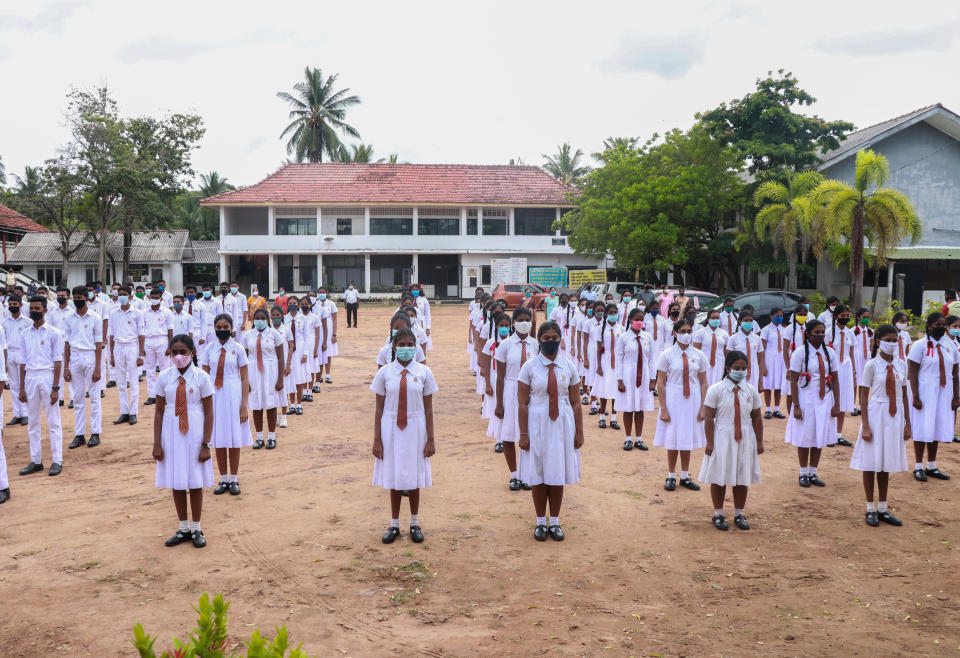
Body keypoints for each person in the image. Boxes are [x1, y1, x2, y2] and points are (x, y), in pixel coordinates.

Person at [517, 321, 584, 541]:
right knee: (538, 474)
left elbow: (575, 402)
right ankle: (539, 522)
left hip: (562, 425)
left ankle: (554, 522)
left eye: (555, 338)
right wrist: (523, 433)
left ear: (560, 340)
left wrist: (579, 431)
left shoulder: (569, 366)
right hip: (537, 424)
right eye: (546, 338)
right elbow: (523, 403)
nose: (551, 342)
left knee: (556, 473)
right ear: (539, 340)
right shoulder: (529, 367)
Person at [371, 328, 437, 544]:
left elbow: (428, 409)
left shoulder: (424, 373)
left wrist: (431, 438)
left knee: (414, 476)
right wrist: (377, 439)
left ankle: (415, 523)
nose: (406, 349)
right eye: (402, 345)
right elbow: (379, 409)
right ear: (394, 347)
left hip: (416, 428)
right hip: (391, 428)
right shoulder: (385, 373)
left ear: (416, 347)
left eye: (410, 345)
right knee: (395, 476)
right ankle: (394, 524)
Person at [153, 334, 214, 548]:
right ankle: (183, 527)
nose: (179, 356)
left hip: (195, 431)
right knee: (177, 480)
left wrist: (206, 444)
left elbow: (209, 413)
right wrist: (156, 443)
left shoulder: (201, 377)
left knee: (195, 481)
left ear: (192, 353)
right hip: (171, 433)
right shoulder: (164, 377)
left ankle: (197, 528)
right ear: (169, 354)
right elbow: (159, 412)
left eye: (183, 352)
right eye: (175, 352)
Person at [852, 324, 911, 527]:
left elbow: (904, 395)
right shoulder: (872, 366)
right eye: (888, 340)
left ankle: (883, 508)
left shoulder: (901, 365)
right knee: (871, 462)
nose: (892, 344)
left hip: (895, 416)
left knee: (886, 463)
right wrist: (865, 425)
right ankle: (870, 508)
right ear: (878, 342)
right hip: (876, 414)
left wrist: (907, 424)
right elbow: (863, 395)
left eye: (895, 341)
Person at [700, 350, 764, 531]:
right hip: (723, 436)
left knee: (742, 476)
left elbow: (757, 416)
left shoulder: (750, 391)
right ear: (728, 368)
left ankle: (739, 513)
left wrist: (759, 441)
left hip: (745, 436)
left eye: (744, 368)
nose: (741, 371)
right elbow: (709, 417)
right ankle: (718, 514)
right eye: (737, 368)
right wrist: (710, 442)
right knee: (719, 476)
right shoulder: (716, 390)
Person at [654, 318, 708, 492]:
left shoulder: (698, 355)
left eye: (689, 331)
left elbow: (703, 382)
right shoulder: (667, 355)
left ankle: (685, 475)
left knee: (687, 436)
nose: (686, 335)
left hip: (692, 398)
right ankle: (671, 475)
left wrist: (703, 407)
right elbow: (660, 382)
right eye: (683, 331)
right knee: (672, 437)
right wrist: (663, 408)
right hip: (673, 397)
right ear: (675, 333)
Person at [786, 320, 839, 488]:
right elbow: (793, 381)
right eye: (817, 332)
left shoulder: (829, 352)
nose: (820, 335)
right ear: (808, 334)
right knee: (804, 436)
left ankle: (813, 472)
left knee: (819, 436)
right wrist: (796, 406)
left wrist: (836, 403)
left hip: (824, 399)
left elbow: (835, 378)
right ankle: (803, 473)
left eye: (822, 332)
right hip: (806, 398)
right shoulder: (800, 353)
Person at [16, 296, 65, 477]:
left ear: (45, 310)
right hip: (30, 378)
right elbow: (22, 362)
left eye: (37, 308)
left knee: (53, 421)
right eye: (31, 308)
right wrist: (21, 387)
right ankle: (36, 460)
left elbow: (58, 362)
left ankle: (57, 460)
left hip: (47, 376)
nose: (33, 311)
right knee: (33, 422)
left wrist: (55, 388)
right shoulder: (25, 333)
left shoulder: (53, 333)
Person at [907, 312, 958, 481]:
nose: (941, 328)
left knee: (936, 426)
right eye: (938, 325)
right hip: (925, 389)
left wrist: (956, 396)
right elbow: (912, 372)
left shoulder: (950, 345)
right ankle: (918, 466)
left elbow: (955, 372)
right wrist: (915, 396)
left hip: (945, 390)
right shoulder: (920, 345)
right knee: (923, 426)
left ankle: (932, 465)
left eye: (943, 325)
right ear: (929, 326)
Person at [494, 306, 537, 490]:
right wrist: (499, 403)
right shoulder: (505, 345)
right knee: (510, 434)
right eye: (520, 320)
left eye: (527, 320)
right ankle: (514, 475)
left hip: (531, 393)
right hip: (511, 391)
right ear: (513, 323)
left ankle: (527, 474)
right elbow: (500, 376)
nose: (524, 323)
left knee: (529, 434)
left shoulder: (536, 345)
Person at [63, 285, 103, 449]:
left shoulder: (95, 317)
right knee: (78, 397)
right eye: (75, 297)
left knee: (94, 397)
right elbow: (66, 343)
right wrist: (66, 366)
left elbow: (99, 343)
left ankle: (95, 433)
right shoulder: (69, 318)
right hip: (75, 358)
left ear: (87, 298)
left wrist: (98, 367)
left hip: (90, 356)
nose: (78, 300)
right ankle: (79, 434)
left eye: (81, 297)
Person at [243, 308, 285, 450]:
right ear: (253, 320)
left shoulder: (274, 334)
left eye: (262, 318)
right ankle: (259, 437)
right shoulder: (248, 335)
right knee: (256, 405)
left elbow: (280, 357)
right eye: (257, 318)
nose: (259, 321)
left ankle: (271, 437)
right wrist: (245, 381)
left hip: (271, 371)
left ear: (267, 320)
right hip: (253, 371)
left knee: (271, 404)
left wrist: (280, 379)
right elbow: (243, 359)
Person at [615, 307, 654, 451]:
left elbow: (651, 359)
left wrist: (652, 379)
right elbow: (619, 359)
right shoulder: (624, 338)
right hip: (628, 374)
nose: (639, 322)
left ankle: (638, 438)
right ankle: (627, 439)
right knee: (628, 407)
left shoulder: (647, 338)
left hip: (643, 374)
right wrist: (619, 379)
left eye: (641, 319)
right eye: (637, 319)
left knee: (640, 408)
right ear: (630, 320)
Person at [109, 286, 145, 426]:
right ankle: (124, 411)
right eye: (120, 294)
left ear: (130, 297)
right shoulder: (113, 313)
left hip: (132, 347)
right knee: (121, 382)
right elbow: (111, 335)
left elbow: (142, 335)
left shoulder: (137, 313)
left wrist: (140, 355)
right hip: (118, 347)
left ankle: (133, 412)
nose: (122, 297)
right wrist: (112, 355)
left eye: (125, 294)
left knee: (134, 381)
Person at [826, 305, 855, 447]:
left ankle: (838, 434)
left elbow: (852, 353)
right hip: (833, 369)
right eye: (843, 316)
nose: (846, 318)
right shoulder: (829, 332)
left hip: (846, 369)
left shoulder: (850, 333)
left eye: (847, 316)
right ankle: (828, 434)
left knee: (843, 400)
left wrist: (854, 372)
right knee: (831, 400)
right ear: (836, 317)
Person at [593, 303, 623, 430]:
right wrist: (599, 366)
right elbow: (598, 349)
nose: (613, 315)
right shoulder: (601, 328)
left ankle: (614, 418)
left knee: (615, 391)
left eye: (615, 312)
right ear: (606, 314)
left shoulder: (621, 328)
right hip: (605, 362)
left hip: (617, 363)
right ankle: (602, 418)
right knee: (604, 390)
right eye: (610, 313)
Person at [142, 288, 174, 406]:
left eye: (157, 298)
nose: (154, 300)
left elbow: (170, 330)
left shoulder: (167, 312)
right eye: (152, 297)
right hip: (148, 340)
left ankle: (165, 395)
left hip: (162, 340)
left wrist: (170, 346)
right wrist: (142, 347)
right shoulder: (144, 313)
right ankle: (152, 395)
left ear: (161, 298)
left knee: (164, 369)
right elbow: (141, 330)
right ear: (149, 297)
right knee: (149, 370)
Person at [3, 295, 30, 426]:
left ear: (21, 305)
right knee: (13, 385)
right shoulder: (5, 322)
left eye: (15, 304)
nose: (12, 306)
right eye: (11, 304)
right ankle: (17, 414)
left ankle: (25, 414)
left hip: (22, 354)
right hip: (10, 354)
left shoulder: (27, 322)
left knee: (23, 384)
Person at [726, 310, 765, 392]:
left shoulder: (757, 339)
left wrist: (760, 381)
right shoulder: (733, 339)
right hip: (737, 373)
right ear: (740, 322)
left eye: (751, 320)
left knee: (752, 397)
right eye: (746, 320)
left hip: (754, 373)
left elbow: (761, 361)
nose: (749, 322)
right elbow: (728, 360)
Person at [760, 307, 785, 417]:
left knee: (778, 385)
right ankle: (768, 409)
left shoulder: (784, 329)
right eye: (777, 316)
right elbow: (762, 348)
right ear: (771, 316)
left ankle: (777, 409)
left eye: (781, 316)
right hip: (769, 359)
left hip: (780, 360)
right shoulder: (766, 330)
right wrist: (763, 366)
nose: (779, 318)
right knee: (768, 385)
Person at [694, 309, 729, 388]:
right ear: (708, 319)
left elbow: (726, 351)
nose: (716, 320)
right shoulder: (700, 333)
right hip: (704, 363)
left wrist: (727, 365)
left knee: (717, 385)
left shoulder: (724, 334)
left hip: (719, 363)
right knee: (703, 384)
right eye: (713, 318)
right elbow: (696, 351)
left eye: (717, 318)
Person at [851, 308, 874, 416]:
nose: (866, 319)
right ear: (858, 317)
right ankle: (852, 405)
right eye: (864, 317)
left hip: (866, 357)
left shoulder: (871, 331)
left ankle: (861, 405)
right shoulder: (853, 331)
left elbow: (872, 346)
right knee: (855, 382)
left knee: (864, 382)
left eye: (867, 317)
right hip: (856, 356)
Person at [318, 287, 338, 384]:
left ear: (326, 293)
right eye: (320, 292)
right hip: (319, 331)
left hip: (329, 331)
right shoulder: (315, 304)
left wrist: (334, 334)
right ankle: (320, 375)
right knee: (319, 353)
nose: (321, 294)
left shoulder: (331, 304)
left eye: (323, 292)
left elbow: (334, 320)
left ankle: (328, 375)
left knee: (328, 353)